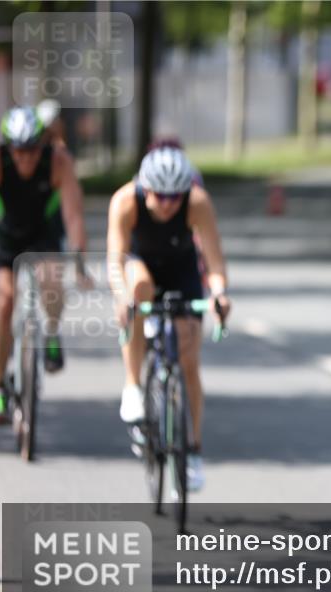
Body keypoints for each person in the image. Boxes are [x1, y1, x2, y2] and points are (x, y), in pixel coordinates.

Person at [107, 146, 231, 492]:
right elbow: (115, 260)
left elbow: (215, 261)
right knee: (139, 290)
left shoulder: (197, 202)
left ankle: (193, 449)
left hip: (181, 270)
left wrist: (219, 294)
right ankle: (133, 385)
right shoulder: (125, 201)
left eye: (175, 197)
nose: (167, 205)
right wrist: (121, 297)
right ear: (145, 189)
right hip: (138, 265)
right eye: (160, 196)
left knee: (189, 358)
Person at [0, 106, 88, 425]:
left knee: (52, 283)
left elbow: (73, 215)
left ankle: (52, 332)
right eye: (18, 150)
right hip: (6, 237)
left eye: (32, 149)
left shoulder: (58, 161)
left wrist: (79, 261)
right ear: (7, 147)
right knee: (4, 301)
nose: (25, 157)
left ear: (42, 144)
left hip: (43, 235)